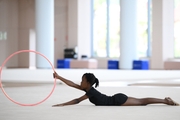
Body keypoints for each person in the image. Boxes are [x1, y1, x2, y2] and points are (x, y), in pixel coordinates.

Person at [52, 72, 179, 107]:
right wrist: (58, 77)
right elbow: (72, 84)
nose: (80, 82)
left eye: (82, 81)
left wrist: (62, 104)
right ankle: (164, 101)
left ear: (88, 83)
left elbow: (77, 100)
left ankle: (165, 101)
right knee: (141, 101)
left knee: (142, 102)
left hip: (117, 100)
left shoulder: (90, 92)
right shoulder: (88, 89)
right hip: (116, 98)